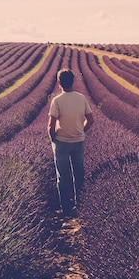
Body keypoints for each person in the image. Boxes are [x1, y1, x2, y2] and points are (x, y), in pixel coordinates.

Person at [48, 69, 94, 216]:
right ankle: (81, 205)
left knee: (63, 176)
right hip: (78, 141)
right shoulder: (81, 98)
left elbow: (50, 126)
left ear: (59, 83)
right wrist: (81, 130)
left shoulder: (57, 101)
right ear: (73, 82)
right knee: (79, 173)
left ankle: (66, 209)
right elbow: (91, 120)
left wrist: (53, 140)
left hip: (61, 142)